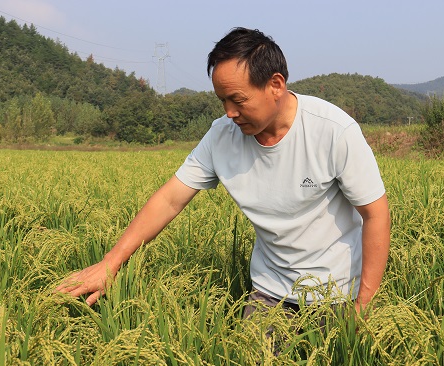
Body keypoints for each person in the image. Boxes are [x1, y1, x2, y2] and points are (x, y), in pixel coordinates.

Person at [56, 27, 390, 317]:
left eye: (237, 99)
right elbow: (170, 199)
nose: (229, 113)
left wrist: (363, 304)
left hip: (338, 294)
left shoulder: (332, 130)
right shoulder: (221, 135)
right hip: (270, 293)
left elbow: (375, 214)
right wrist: (110, 264)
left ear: (276, 85)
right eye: (222, 101)